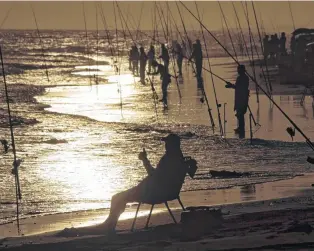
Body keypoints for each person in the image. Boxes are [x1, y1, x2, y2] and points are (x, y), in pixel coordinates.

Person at [101, 133, 197, 232]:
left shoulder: (168, 160)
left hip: (154, 194)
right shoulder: (180, 160)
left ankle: (110, 225)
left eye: (167, 143)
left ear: (172, 145)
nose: (166, 145)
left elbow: (154, 176)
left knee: (117, 198)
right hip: (169, 193)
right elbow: (159, 177)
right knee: (119, 197)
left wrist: (144, 160)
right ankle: (109, 224)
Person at [225, 65, 249, 138]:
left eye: (238, 70)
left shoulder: (241, 78)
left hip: (241, 97)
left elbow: (238, 87)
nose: (237, 71)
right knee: (240, 113)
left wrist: (230, 86)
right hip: (242, 97)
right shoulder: (245, 77)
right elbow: (238, 87)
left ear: (241, 70)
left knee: (240, 113)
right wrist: (231, 85)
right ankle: (240, 128)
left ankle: (241, 129)